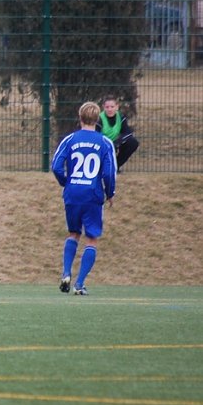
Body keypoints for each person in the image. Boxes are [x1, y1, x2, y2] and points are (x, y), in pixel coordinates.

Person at [51, 101, 117, 296]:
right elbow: (109, 173)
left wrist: (67, 182)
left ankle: (65, 273)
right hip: (92, 194)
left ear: (79, 118)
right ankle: (79, 284)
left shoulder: (70, 139)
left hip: (73, 193)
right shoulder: (105, 143)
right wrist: (110, 193)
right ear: (98, 120)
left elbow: (55, 165)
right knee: (91, 238)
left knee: (73, 234)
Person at [96, 95, 139, 172]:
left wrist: (117, 142)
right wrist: (108, 144)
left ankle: (115, 166)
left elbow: (128, 133)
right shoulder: (99, 118)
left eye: (112, 107)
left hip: (115, 143)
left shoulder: (121, 117)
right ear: (103, 107)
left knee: (133, 142)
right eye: (107, 107)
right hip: (102, 144)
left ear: (117, 107)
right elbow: (96, 136)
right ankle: (100, 166)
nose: (109, 109)